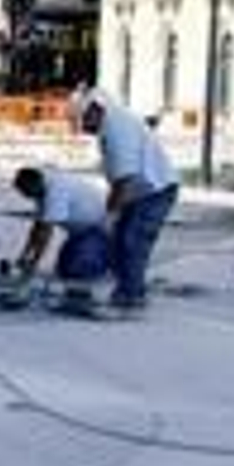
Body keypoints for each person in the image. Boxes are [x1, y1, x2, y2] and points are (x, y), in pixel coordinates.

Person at [78, 90, 179, 311]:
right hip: (141, 191)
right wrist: (111, 214)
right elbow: (118, 180)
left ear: (95, 110)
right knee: (120, 238)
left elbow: (125, 180)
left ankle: (132, 296)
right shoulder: (110, 123)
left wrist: (111, 215)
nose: (84, 129)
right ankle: (127, 287)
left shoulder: (116, 126)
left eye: (84, 120)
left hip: (156, 191)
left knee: (133, 240)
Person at [8, 166, 110, 293]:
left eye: (25, 192)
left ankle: (99, 275)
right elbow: (37, 228)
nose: (25, 196)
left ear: (33, 184)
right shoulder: (42, 190)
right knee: (63, 269)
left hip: (99, 232)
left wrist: (33, 263)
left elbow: (46, 233)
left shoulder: (55, 191)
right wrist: (23, 255)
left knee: (77, 270)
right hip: (79, 234)